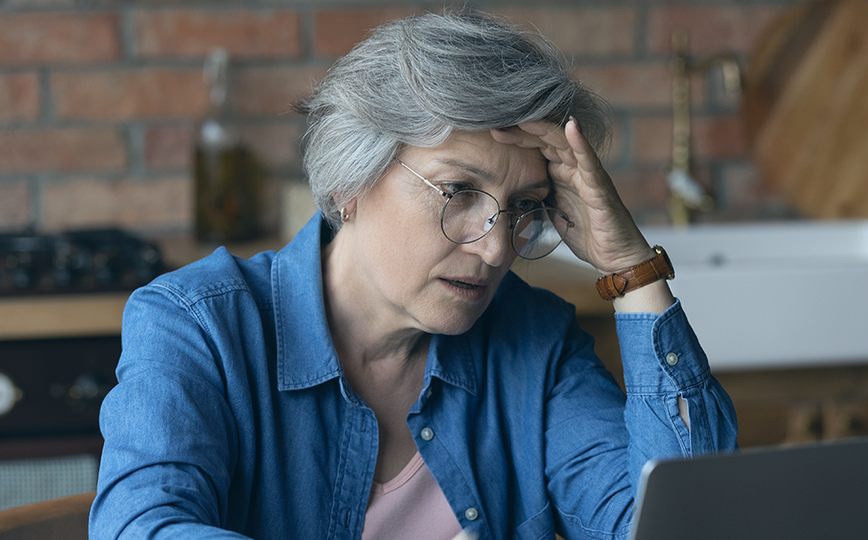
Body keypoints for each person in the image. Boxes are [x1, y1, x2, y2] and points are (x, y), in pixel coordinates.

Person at [90, 10, 737, 540]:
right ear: (351, 181)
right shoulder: (197, 324)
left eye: (521, 209)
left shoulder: (534, 343)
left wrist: (632, 267)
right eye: (458, 191)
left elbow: (677, 530)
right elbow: (144, 528)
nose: (493, 251)